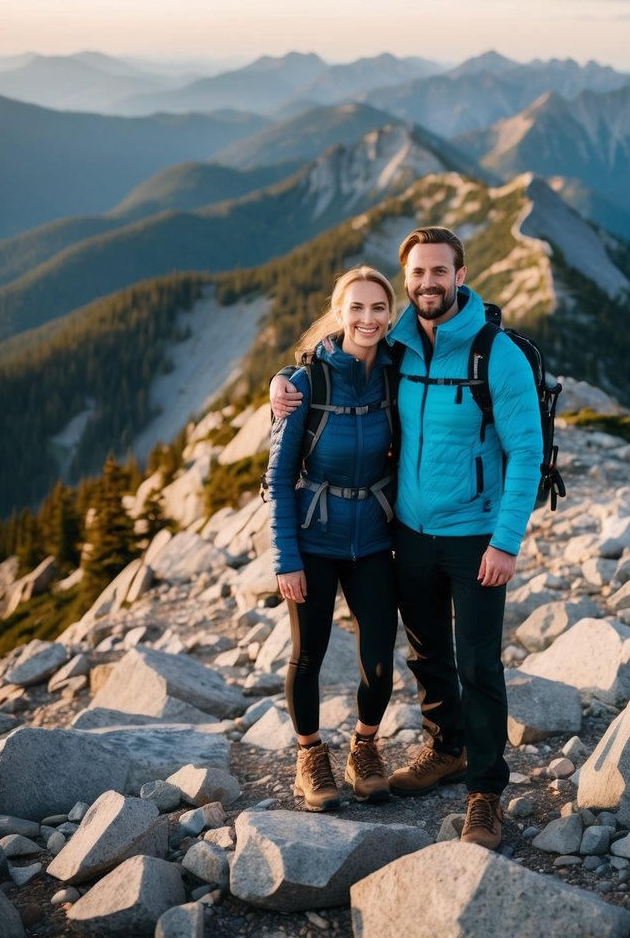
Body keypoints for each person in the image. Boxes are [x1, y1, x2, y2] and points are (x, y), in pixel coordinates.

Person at [272, 228, 543, 849]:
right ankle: (445, 748)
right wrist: (280, 382)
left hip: (476, 535)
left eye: (438, 272)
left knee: (478, 662)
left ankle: (484, 793)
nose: (428, 283)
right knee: (425, 654)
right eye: (417, 273)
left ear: (460, 275)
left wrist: (506, 542)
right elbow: (335, 354)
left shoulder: (495, 354)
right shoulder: (398, 344)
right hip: (409, 532)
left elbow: (526, 451)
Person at [266, 265, 399, 812]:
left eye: (378, 308)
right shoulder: (305, 385)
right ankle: (310, 755)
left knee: (380, 660)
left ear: (391, 315)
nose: (367, 319)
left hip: (373, 536)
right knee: (309, 654)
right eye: (357, 308)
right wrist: (286, 558)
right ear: (338, 312)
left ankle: (364, 746)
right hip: (314, 538)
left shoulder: (401, 372)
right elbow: (276, 477)